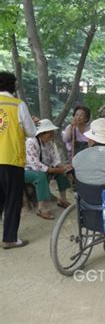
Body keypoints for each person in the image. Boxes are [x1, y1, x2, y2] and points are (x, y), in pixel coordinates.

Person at [0, 71, 37, 249]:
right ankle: (9, 238)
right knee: (12, 200)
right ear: (12, 86)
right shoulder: (17, 105)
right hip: (11, 159)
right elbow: (31, 132)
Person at [25, 119, 72, 220]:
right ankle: (41, 208)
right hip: (26, 170)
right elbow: (35, 165)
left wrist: (62, 166)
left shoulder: (49, 142)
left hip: (44, 167)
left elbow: (54, 158)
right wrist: (54, 170)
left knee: (62, 173)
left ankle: (62, 199)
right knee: (40, 176)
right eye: (49, 133)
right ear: (41, 133)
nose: (52, 135)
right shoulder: (31, 142)